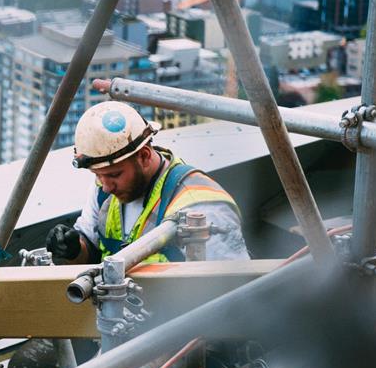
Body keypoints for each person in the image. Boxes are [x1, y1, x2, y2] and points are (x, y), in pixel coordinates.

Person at [46, 101, 249, 264]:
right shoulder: (104, 188)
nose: (106, 186)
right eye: (98, 175)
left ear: (143, 156)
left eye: (115, 175)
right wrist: (73, 249)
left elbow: (229, 290)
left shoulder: (201, 206)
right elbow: (91, 251)